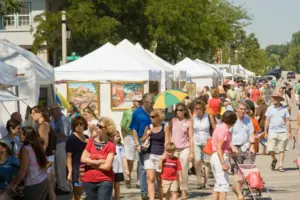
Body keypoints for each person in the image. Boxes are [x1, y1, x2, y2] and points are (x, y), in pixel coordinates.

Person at [80, 117, 116, 200]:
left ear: (106, 129)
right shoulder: (91, 141)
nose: (97, 127)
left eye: (100, 126)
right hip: (89, 179)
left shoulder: (111, 145)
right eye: (97, 125)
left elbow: (107, 166)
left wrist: (91, 163)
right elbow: (83, 159)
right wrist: (98, 162)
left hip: (105, 180)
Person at [12, 126, 49, 200]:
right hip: (43, 181)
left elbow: (23, 169)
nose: (19, 135)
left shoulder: (26, 149)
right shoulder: (37, 146)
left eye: (22, 134)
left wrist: (14, 185)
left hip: (33, 185)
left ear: (27, 136)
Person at [130, 93, 154, 200]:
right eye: (151, 102)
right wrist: (137, 144)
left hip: (154, 139)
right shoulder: (137, 113)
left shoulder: (153, 112)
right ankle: (144, 191)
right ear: (145, 102)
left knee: (154, 165)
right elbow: (134, 129)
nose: (152, 104)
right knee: (143, 167)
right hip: (142, 140)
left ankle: (154, 189)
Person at [142, 109, 170, 200]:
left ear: (159, 117)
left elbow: (167, 142)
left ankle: (161, 197)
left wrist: (164, 156)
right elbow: (142, 140)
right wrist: (147, 135)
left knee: (160, 180)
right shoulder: (148, 127)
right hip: (148, 154)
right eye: (150, 116)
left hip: (160, 155)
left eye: (153, 117)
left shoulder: (165, 126)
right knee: (150, 178)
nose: (151, 118)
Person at [169, 103, 194, 199]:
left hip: (185, 148)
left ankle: (184, 190)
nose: (178, 112)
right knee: (173, 170)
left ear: (184, 111)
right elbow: (169, 134)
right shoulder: (172, 120)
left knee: (183, 169)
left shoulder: (188, 122)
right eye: (177, 110)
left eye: (181, 110)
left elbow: (191, 137)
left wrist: (192, 152)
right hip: (174, 149)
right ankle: (175, 189)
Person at [211, 111, 237, 200]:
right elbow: (219, 148)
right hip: (219, 157)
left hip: (216, 156)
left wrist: (231, 149)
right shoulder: (224, 130)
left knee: (218, 185)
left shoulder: (220, 128)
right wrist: (223, 163)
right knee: (223, 185)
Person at [30, 106, 56, 200]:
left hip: (46, 157)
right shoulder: (44, 124)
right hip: (48, 156)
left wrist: (40, 158)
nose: (31, 115)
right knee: (49, 185)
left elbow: (44, 144)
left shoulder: (43, 125)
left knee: (48, 186)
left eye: (33, 113)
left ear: (40, 113)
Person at [231, 102, 255, 200]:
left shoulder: (248, 120)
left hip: (246, 147)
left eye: (244, 109)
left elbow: (251, 133)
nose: (243, 111)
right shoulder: (232, 121)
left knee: (248, 171)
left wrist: (252, 146)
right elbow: (228, 136)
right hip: (235, 148)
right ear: (236, 110)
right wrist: (231, 147)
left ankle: (237, 188)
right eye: (241, 109)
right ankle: (239, 193)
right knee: (238, 172)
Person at [190, 100, 216, 189]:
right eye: (195, 108)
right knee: (197, 161)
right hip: (196, 141)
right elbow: (191, 131)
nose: (196, 110)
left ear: (202, 109)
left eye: (197, 108)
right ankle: (198, 181)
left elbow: (214, 128)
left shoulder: (209, 117)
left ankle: (206, 182)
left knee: (207, 162)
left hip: (207, 141)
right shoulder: (193, 118)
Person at [265, 92, 292, 172]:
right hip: (272, 132)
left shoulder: (284, 109)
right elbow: (267, 120)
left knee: (281, 150)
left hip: (283, 131)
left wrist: (289, 131)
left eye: (277, 98)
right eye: (275, 98)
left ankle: (280, 166)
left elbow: (287, 121)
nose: (276, 99)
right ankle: (274, 159)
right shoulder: (270, 108)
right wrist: (265, 132)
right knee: (270, 149)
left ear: (280, 99)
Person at [121, 95, 142, 188]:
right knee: (130, 160)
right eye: (138, 101)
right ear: (133, 102)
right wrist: (124, 138)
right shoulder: (127, 112)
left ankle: (139, 181)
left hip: (140, 137)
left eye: (141, 101)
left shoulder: (143, 112)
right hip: (129, 137)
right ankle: (128, 177)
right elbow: (123, 127)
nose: (139, 103)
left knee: (140, 160)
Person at [66, 116, 89, 200]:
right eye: (76, 124)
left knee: (88, 193)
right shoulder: (71, 139)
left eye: (81, 124)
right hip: (76, 170)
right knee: (77, 194)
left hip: (87, 168)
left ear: (84, 125)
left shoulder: (86, 137)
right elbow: (68, 156)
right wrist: (70, 171)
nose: (79, 126)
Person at [112, 131, 129, 200]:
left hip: (118, 169)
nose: (118, 138)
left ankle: (117, 198)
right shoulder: (108, 145)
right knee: (109, 186)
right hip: (110, 169)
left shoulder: (120, 147)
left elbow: (124, 158)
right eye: (116, 136)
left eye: (119, 136)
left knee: (117, 185)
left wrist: (126, 169)